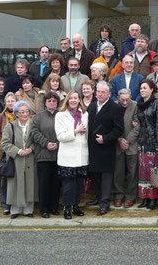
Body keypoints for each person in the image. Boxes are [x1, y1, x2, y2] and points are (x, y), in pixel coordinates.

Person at [87, 81, 124, 216]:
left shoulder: (115, 108)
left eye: (103, 92)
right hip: (92, 147)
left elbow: (118, 129)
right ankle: (97, 198)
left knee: (106, 177)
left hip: (106, 148)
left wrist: (106, 138)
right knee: (94, 175)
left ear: (109, 94)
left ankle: (104, 203)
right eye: (98, 92)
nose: (100, 94)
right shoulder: (91, 106)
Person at [55, 90, 89, 220]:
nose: (73, 100)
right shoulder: (60, 115)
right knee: (69, 185)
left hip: (81, 154)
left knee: (79, 184)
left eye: (76, 98)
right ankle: (66, 208)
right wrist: (75, 131)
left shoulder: (84, 114)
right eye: (71, 98)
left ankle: (75, 206)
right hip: (68, 155)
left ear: (79, 100)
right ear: (67, 100)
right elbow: (60, 136)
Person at [1, 101, 35, 218]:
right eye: (22, 112)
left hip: (30, 160)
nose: (25, 114)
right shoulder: (10, 126)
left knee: (30, 184)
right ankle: (15, 210)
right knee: (16, 185)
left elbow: (37, 141)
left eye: (27, 111)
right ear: (16, 114)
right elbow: (5, 143)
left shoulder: (33, 126)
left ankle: (28, 210)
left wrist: (31, 149)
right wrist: (18, 151)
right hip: (16, 161)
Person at [30, 92, 60, 218]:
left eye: (54, 101)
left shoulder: (62, 115)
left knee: (56, 184)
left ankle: (54, 207)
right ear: (45, 103)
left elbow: (66, 131)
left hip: (58, 156)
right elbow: (34, 132)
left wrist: (58, 143)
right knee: (44, 184)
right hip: (43, 155)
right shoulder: (39, 116)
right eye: (49, 101)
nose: (51, 103)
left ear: (57, 103)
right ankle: (43, 209)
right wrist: (46, 143)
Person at [136, 79, 158, 210]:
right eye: (141, 88)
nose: (142, 90)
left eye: (145, 88)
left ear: (152, 89)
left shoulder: (157, 103)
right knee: (143, 172)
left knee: (154, 171)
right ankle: (145, 198)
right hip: (141, 142)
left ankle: (154, 199)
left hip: (152, 141)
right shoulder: (139, 104)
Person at [113, 89, 140, 208]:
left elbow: (138, 125)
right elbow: (110, 124)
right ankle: (118, 195)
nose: (125, 102)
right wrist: (119, 139)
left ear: (131, 97)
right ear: (118, 98)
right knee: (118, 171)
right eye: (122, 100)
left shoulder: (135, 106)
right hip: (117, 143)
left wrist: (127, 140)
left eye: (127, 100)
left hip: (131, 143)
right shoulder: (113, 106)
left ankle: (130, 196)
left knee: (132, 172)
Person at [0, 92, 15, 215]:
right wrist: (5, 147)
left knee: (16, 180)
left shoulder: (21, 115)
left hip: (17, 153)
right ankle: (5, 205)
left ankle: (15, 204)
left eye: (13, 101)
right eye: (8, 101)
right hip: (4, 153)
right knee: (4, 180)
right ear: (5, 103)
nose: (11, 103)